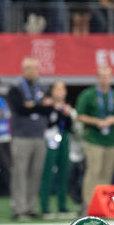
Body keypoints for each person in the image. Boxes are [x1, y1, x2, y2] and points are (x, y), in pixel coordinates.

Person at [7, 58, 55, 220]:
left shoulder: (43, 87)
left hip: (39, 136)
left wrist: (33, 105)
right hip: (21, 136)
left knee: (35, 173)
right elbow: (20, 108)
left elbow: (49, 108)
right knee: (20, 173)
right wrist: (40, 105)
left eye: (35, 68)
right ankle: (18, 208)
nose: (32, 71)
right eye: (28, 68)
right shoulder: (15, 88)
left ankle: (30, 206)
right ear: (23, 69)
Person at [75, 66, 114, 212]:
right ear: (97, 78)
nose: (104, 80)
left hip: (111, 140)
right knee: (93, 172)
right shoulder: (88, 95)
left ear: (111, 78)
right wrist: (96, 121)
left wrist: (113, 119)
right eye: (102, 77)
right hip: (93, 139)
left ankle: (102, 206)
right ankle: (88, 204)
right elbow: (79, 116)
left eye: (107, 77)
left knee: (107, 173)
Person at [39, 81, 74, 218]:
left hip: (63, 137)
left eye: (62, 89)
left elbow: (70, 126)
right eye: (57, 89)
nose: (60, 92)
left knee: (64, 171)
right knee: (48, 171)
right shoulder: (47, 105)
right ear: (52, 91)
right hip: (51, 137)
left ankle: (62, 207)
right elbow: (48, 122)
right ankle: (45, 207)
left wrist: (66, 113)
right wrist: (54, 109)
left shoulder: (67, 106)